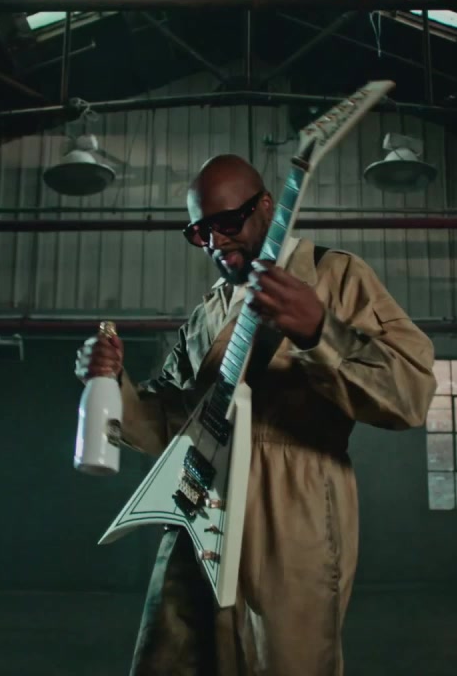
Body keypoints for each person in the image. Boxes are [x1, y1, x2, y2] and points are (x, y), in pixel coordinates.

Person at [74, 154, 436, 676]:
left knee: (285, 661)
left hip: (293, 506)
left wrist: (319, 331)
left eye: (226, 223)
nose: (214, 242)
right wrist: (113, 383)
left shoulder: (335, 276)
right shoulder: (209, 312)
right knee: (176, 658)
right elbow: (172, 423)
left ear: (267, 205)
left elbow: (410, 393)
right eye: (200, 232)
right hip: (199, 507)